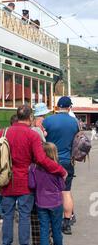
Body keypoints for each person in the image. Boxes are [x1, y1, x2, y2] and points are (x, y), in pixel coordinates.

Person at [0, 104, 67, 245]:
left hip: (6, 181)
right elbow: (41, 160)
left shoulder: (3, 133)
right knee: (24, 216)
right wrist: (60, 170)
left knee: (7, 216)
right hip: (25, 182)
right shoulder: (32, 135)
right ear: (30, 118)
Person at [29, 142, 71, 245]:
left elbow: (32, 185)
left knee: (44, 229)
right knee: (56, 229)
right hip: (55, 202)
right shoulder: (56, 168)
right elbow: (62, 186)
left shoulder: (33, 168)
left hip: (41, 202)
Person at [43, 96, 79, 235]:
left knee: (50, 192)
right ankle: (67, 223)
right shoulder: (74, 122)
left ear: (57, 106)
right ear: (69, 107)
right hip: (67, 161)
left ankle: (51, 222)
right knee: (66, 192)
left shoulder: (48, 120)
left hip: (50, 161)